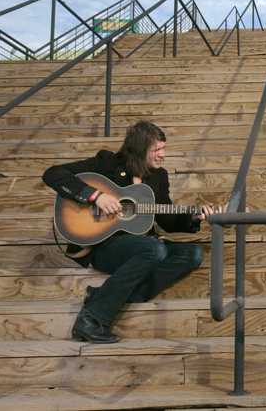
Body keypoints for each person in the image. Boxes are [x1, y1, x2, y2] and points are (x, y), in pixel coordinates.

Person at [43, 121, 218, 344]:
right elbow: (53, 174)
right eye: (157, 150)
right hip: (105, 246)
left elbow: (165, 217)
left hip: (144, 249)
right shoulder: (106, 162)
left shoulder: (158, 176)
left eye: (163, 149)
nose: (163, 155)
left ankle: (103, 296)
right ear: (139, 149)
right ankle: (90, 318)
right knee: (153, 248)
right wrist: (95, 196)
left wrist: (193, 216)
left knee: (192, 254)